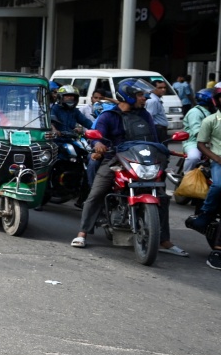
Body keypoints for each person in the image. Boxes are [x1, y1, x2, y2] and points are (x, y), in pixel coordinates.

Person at [70, 79, 188, 256]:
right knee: (96, 193)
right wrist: (98, 144)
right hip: (114, 160)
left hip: (141, 161)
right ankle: (83, 232)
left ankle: (164, 240)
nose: (144, 99)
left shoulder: (145, 115)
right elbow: (96, 137)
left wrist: (164, 150)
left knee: (162, 197)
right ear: (128, 96)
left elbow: (154, 140)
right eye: (140, 95)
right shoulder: (109, 116)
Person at [185, 88, 221, 257]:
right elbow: (201, 144)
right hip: (218, 161)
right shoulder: (210, 120)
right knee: (219, 186)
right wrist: (216, 158)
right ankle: (205, 215)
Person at [181, 89, 215, 174]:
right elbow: (198, 133)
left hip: (212, 142)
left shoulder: (212, 112)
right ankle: (187, 177)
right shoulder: (195, 112)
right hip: (194, 142)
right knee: (194, 157)